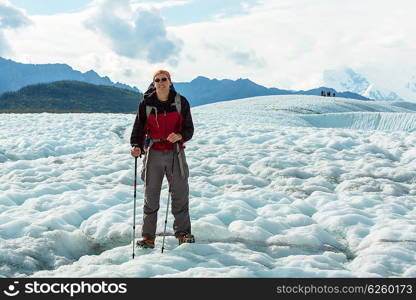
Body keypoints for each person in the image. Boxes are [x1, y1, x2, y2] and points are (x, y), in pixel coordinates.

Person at [130, 70, 194, 249]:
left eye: (164, 79)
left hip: (175, 152)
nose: (160, 82)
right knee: (151, 197)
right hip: (154, 153)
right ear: (154, 83)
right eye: (157, 80)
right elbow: (138, 129)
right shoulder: (146, 104)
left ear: (170, 81)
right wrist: (136, 146)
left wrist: (180, 135)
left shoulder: (181, 102)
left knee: (180, 194)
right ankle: (148, 238)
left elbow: (189, 128)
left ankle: (183, 234)